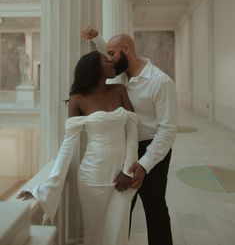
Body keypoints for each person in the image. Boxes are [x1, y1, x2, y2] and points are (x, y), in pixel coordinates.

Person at [17, 51, 138, 245]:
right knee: (94, 232)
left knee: (119, 232)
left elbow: (132, 133)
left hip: (122, 175)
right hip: (92, 176)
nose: (112, 63)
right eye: (107, 60)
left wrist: (128, 170)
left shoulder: (119, 90)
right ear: (94, 68)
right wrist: (47, 185)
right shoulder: (77, 99)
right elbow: (68, 144)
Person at [81, 27, 177, 245]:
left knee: (155, 209)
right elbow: (108, 52)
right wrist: (96, 38)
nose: (110, 60)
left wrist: (144, 164)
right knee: (121, 209)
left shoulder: (161, 82)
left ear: (126, 49)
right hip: (124, 148)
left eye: (112, 54)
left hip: (153, 149)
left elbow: (168, 130)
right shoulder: (121, 74)